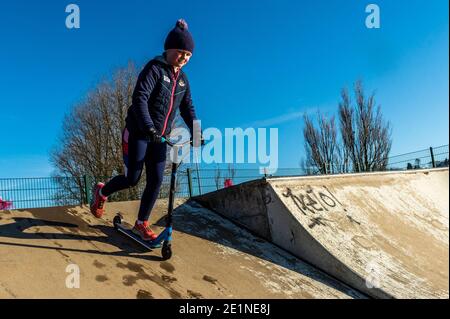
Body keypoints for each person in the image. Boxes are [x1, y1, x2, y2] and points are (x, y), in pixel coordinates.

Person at [90, 19, 202, 241]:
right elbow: (139, 97)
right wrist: (148, 125)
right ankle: (101, 193)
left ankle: (141, 223)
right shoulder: (155, 68)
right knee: (132, 178)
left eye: (188, 55)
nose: (184, 58)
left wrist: (197, 132)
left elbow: (188, 108)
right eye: (181, 52)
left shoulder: (183, 80)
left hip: (160, 138)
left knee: (157, 180)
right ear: (169, 49)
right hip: (138, 132)